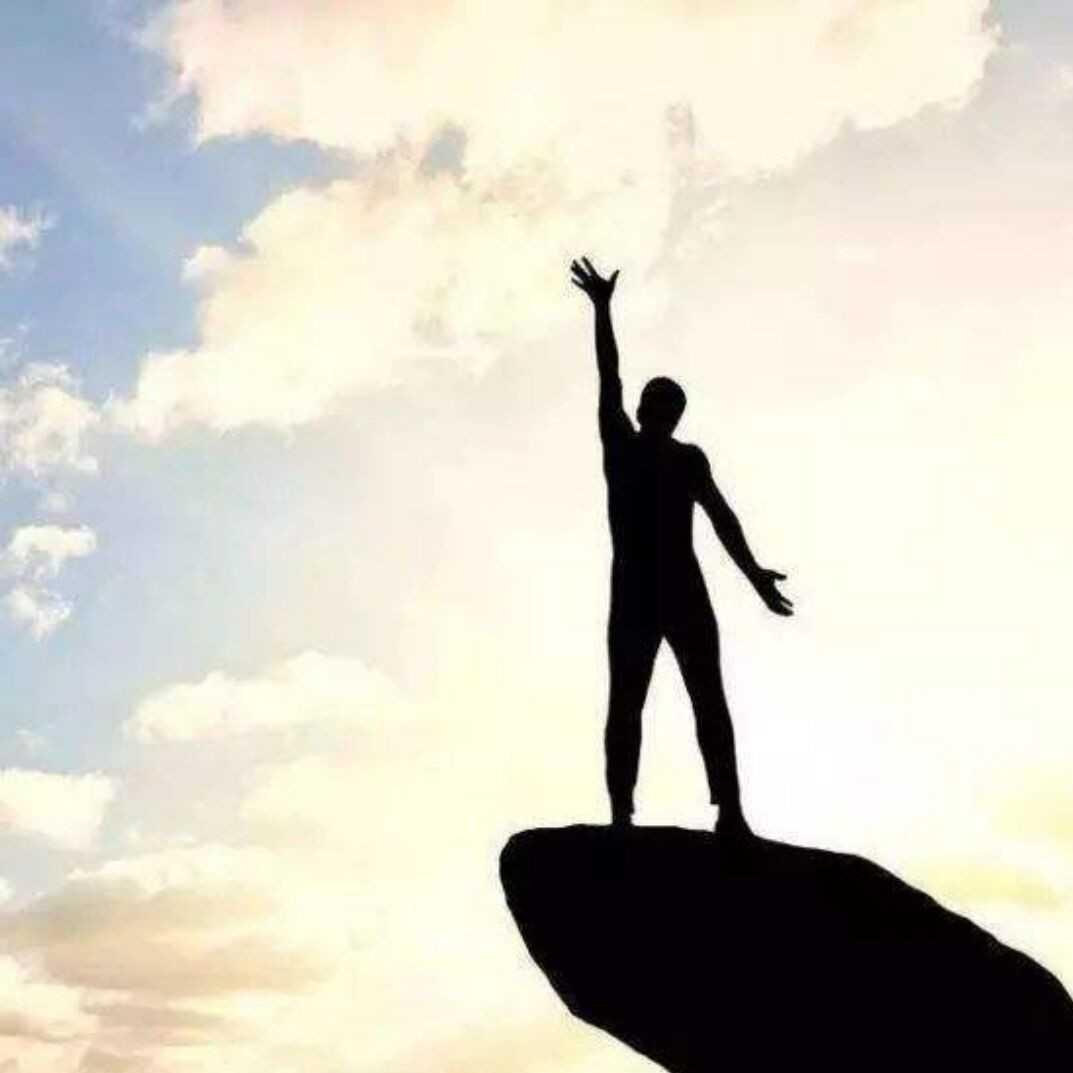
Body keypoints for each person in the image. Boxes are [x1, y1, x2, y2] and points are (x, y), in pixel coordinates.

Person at [571, 256, 793, 841]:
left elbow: (723, 518)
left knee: (705, 699)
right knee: (629, 702)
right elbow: (609, 376)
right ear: (646, 410)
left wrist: (756, 576)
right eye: (656, 401)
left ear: (672, 415)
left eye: (668, 405)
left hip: (681, 590)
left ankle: (730, 810)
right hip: (638, 591)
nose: (660, 410)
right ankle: (623, 814)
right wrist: (601, 310)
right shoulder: (621, 444)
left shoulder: (686, 459)